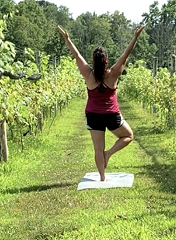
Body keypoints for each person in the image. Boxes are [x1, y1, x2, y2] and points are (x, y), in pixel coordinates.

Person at [57, 24, 144, 181]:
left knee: (98, 149)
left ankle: (102, 178)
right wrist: (135, 37)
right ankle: (109, 154)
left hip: (93, 115)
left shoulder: (88, 75)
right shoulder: (113, 74)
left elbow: (76, 55)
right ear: (106, 60)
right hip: (111, 115)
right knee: (129, 136)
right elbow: (126, 54)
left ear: (94, 61)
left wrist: (67, 39)